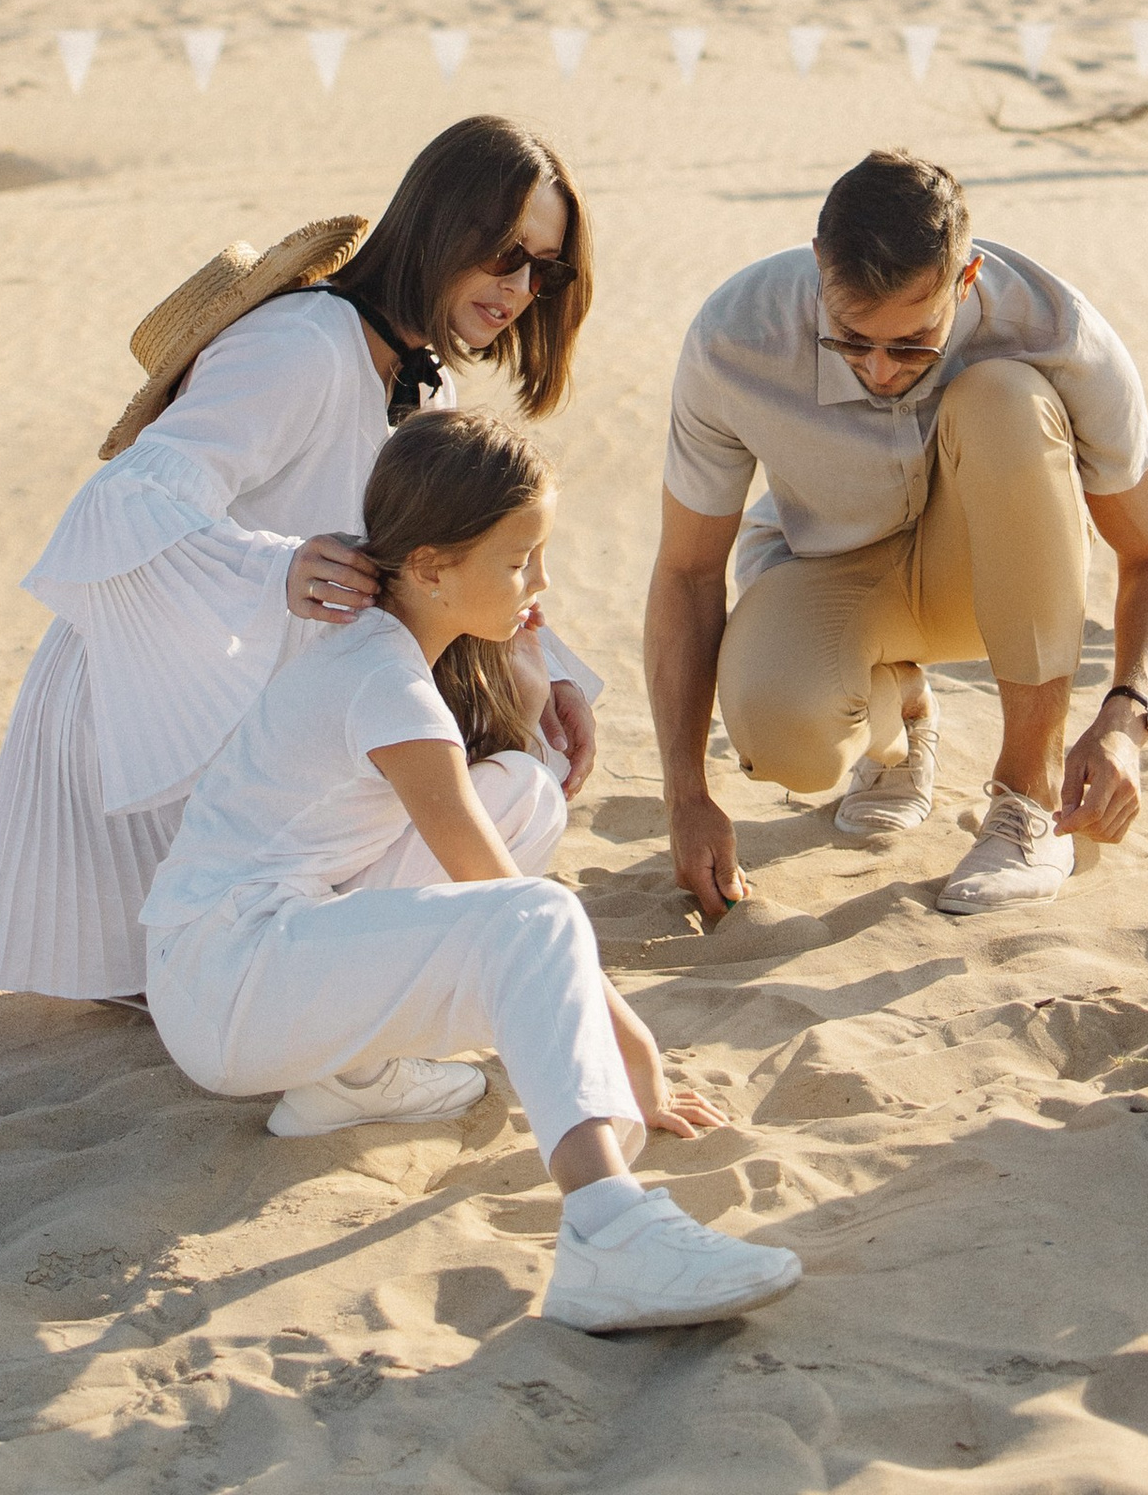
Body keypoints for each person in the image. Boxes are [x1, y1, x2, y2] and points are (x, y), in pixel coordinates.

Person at [147, 408, 803, 1331]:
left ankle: (347, 1078)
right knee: (533, 918)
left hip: (249, 953)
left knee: (522, 792)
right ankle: (609, 1233)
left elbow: (479, 849)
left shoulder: (386, 648)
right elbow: (494, 891)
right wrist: (636, 1051)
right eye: (519, 559)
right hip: (227, 980)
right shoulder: (387, 681)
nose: (541, 581)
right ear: (429, 568)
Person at [0, 116, 599, 1004]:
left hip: (257, 713)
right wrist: (275, 569)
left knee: (524, 760)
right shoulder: (301, 345)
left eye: (547, 267)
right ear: (441, 227)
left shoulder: (426, 380)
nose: (522, 288)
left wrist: (549, 669)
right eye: (503, 254)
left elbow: (457, 554)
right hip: (152, 704)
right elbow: (123, 500)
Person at [644, 147, 1148, 921]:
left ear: (966, 281)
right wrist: (686, 793)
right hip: (826, 566)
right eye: (849, 338)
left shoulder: (1057, 328)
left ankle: (1026, 800)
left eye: (910, 344)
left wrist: (1126, 721)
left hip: (992, 577)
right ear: (816, 270)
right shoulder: (734, 338)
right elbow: (687, 574)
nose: (876, 368)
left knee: (1005, 396)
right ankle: (900, 715)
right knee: (783, 741)